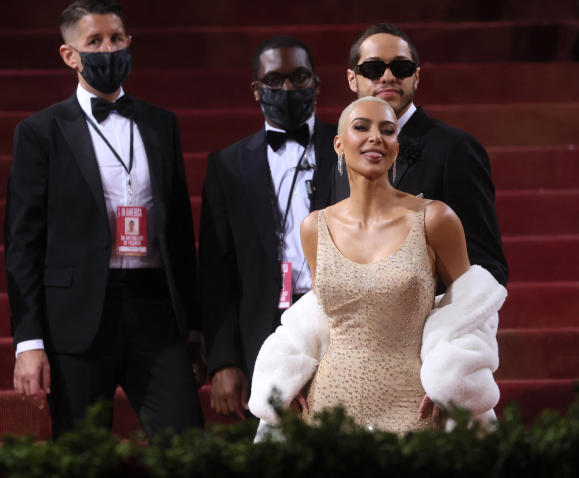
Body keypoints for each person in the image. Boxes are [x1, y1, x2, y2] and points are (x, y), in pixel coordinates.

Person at [248, 97, 506, 436]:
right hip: (329, 404)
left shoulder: (435, 218)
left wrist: (452, 379)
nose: (376, 137)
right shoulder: (314, 227)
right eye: (361, 127)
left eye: (388, 130)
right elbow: (318, 316)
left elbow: (472, 311)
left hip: (414, 402)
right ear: (339, 143)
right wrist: (289, 376)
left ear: (397, 147)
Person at [5, 0, 203, 438]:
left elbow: (178, 233)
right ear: (69, 54)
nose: (108, 49)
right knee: (80, 454)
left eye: (116, 38)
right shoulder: (40, 131)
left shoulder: (161, 124)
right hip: (76, 318)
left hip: (155, 311)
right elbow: (23, 243)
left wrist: (192, 326)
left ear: (129, 43)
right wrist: (29, 341)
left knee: (187, 444)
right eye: (94, 41)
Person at [199, 36, 337, 421]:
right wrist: (223, 360)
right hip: (261, 327)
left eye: (299, 77)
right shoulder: (227, 165)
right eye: (274, 81)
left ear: (317, 85)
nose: (288, 89)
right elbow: (216, 270)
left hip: (338, 319)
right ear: (256, 91)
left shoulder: (347, 148)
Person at [331, 23, 508, 287]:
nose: (388, 77)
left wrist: (439, 326)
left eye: (401, 68)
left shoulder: (455, 149)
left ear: (416, 76)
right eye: (373, 69)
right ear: (351, 78)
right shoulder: (345, 150)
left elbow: (487, 266)